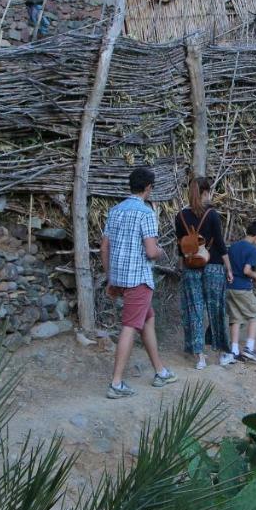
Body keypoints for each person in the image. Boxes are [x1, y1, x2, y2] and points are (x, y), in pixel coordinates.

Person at [101, 166, 178, 399]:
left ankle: (160, 371)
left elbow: (104, 246)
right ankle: (116, 383)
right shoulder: (146, 213)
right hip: (138, 279)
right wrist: (162, 252)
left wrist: (110, 278)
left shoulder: (115, 211)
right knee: (130, 326)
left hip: (120, 278)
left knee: (147, 319)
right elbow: (151, 251)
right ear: (148, 188)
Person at [174, 176, 235, 370]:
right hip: (213, 266)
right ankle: (223, 353)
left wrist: (183, 266)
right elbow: (220, 244)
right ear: (205, 192)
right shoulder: (212, 215)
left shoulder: (180, 217)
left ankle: (200, 357)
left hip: (190, 268)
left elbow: (180, 247)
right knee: (216, 310)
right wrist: (229, 268)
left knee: (194, 310)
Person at [226, 220, 256, 363]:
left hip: (229, 287)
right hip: (243, 288)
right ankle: (249, 348)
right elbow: (247, 270)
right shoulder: (253, 250)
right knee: (254, 315)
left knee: (235, 317)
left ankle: (234, 349)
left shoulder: (233, 246)